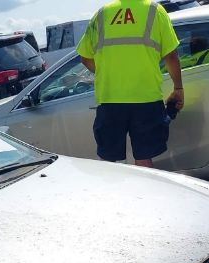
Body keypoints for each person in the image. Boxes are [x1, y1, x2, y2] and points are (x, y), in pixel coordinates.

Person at [77, 0, 184, 168]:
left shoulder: (101, 14)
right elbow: (171, 56)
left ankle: (114, 194)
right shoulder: (155, 11)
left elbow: (85, 58)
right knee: (144, 156)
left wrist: (109, 73)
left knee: (109, 161)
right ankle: (144, 193)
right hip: (146, 99)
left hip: (110, 100)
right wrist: (178, 88)